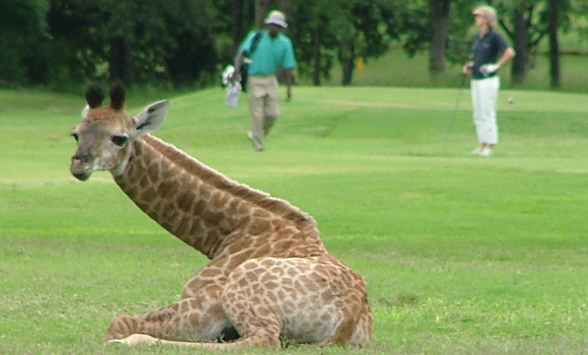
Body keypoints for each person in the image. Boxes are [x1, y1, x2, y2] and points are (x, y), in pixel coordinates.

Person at [232, 10, 296, 151]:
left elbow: (287, 68)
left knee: (272, 114)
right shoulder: (256, 36)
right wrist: (236, 71)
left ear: (281, 28)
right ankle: (259, 146)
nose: (274, 28)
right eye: (272, 25)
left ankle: (256, 134)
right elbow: (241, 53)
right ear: (268, 25)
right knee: (257, 113)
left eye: (277, 26)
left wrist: (288, 90)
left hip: (271, 79)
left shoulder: (285, 44)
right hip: (255, 78)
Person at [462, 5, 515, 157]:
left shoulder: (494, 36)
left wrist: (496, 66)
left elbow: (509, 52)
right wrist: (471, 65)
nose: (476, 19)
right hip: (476, 79)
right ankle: (481, 144)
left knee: (487, 112)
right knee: (478, 113)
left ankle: (489, 146)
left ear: (487, 19)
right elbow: (478, 57)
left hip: (488, 80)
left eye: (479, 16)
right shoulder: (477, 37)